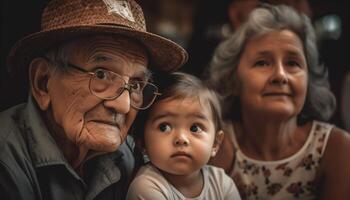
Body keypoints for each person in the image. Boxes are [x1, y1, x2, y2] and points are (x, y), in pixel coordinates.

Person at [0, 0, 187, 200]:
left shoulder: (129, 157)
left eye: (135, 85)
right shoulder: (6, 159)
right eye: (101, 75)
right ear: (43, 82)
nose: (123, 106)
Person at [208, 3, 350, 200]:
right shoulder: (214, 145)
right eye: (262, 63)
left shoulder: (337, 149)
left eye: (293, 63)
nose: (280, 75)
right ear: (233, 80)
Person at [126, 72, 241, 200]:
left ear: (215, 143)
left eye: (195, 128)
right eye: (164, 127)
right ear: (142, 142)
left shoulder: (222, 183)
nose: (181, 139)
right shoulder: (146, 187)